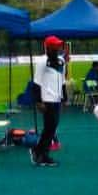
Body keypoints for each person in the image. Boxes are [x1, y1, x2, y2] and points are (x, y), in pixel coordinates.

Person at [32, 35, 65, 167]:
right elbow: (36, 82)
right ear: (48, 47)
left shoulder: (61, 61)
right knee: (49, 128)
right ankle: (42, 155)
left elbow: (62, 81)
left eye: (58, 45)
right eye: (54, 46)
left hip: (56, 99)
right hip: (47, 100)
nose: (57, 48)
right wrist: (38, 101)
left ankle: (38, 151)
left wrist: (64, 98)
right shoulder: (42, 61)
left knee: (52, 128)